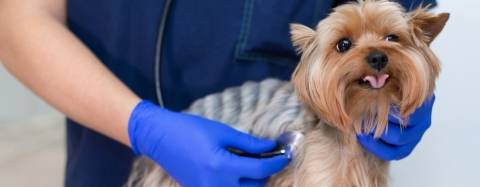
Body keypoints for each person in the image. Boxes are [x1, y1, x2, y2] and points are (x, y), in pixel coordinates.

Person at [0, 0, 437, 186]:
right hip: (104, 161)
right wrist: (140, 126)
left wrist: (410, 81)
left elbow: (394, 17)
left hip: (309, 144)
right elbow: (19, 18)